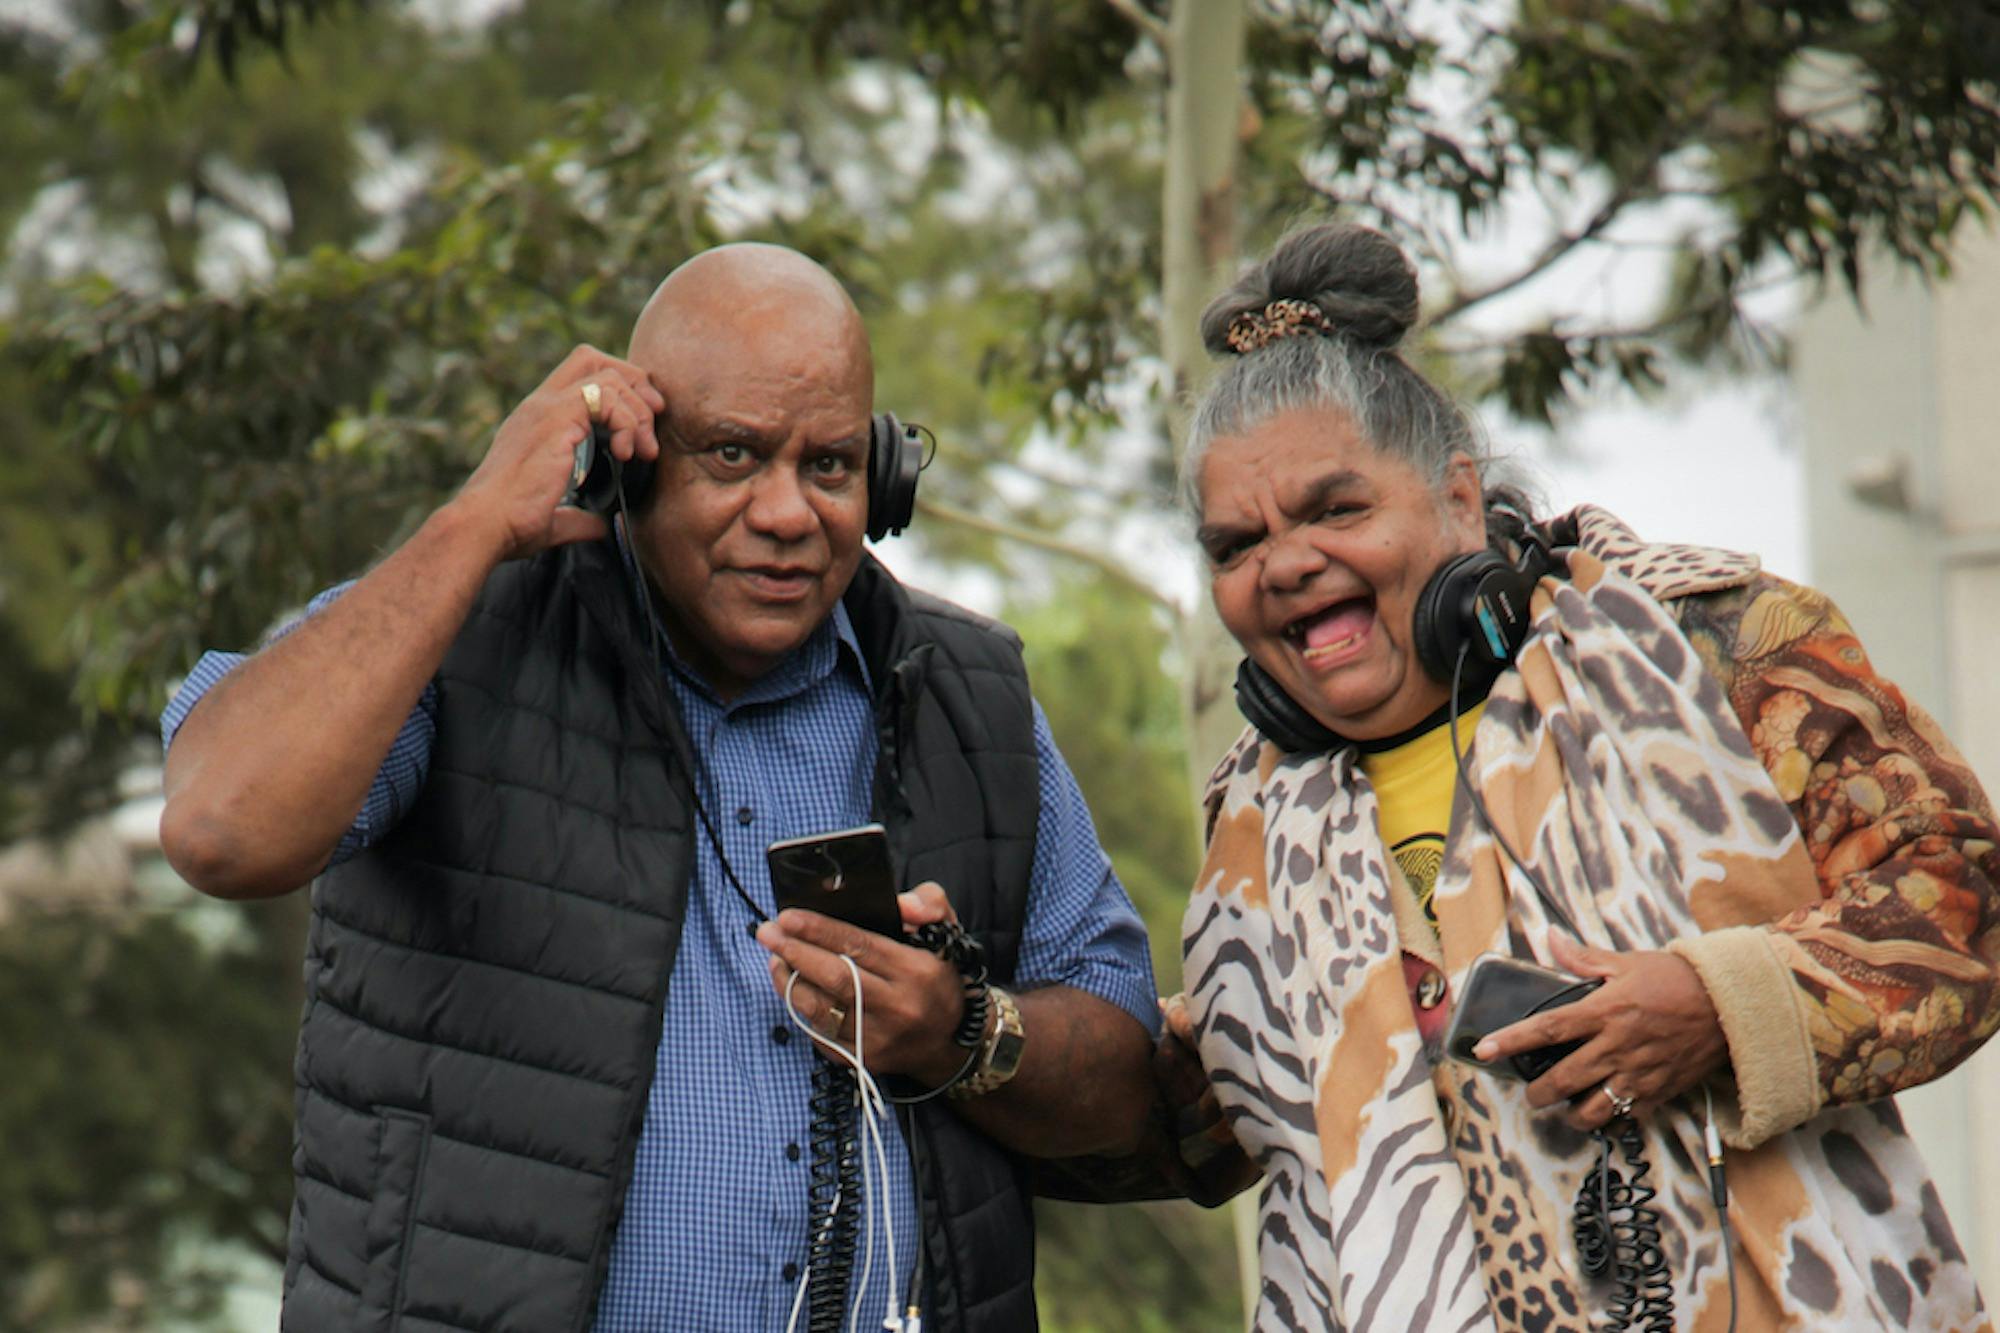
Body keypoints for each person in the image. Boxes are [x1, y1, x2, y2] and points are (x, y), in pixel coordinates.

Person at [156, 243, 1159, 1332]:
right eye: (731, 455)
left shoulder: (970, 698)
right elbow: (220, 828)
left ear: (879, 477)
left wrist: (957, 1030)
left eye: (826, 464)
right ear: (624, 466)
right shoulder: (450, 640)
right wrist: (477, 519)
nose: (786, 512)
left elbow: (1121, 1076)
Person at [1165, 221, 1999, 1330]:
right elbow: (1214, 1123)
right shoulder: (1251, 827)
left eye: (1335, 509)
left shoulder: (1713, 642)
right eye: (1235, 544)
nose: (1283, 564)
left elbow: (1963, 898)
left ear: (1456, 497)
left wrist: (1719, 1003)